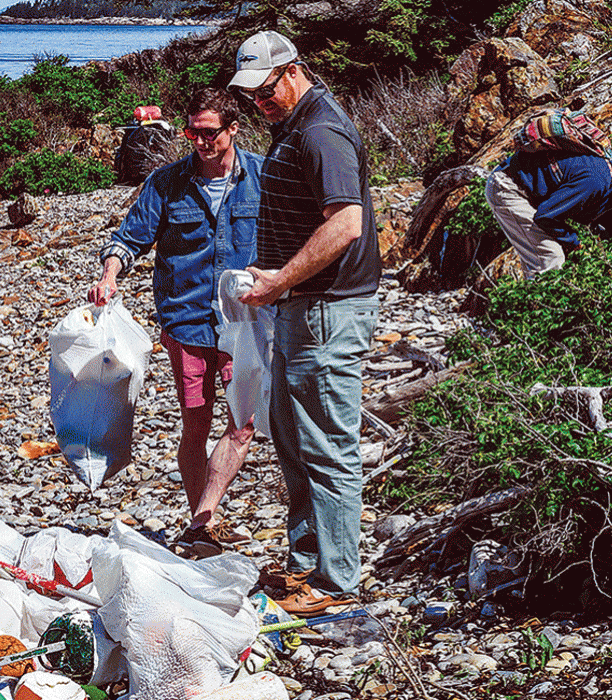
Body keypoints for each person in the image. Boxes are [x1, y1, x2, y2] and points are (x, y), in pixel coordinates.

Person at [230, 31, 381, 616]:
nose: (259, 104)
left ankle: (337, 579)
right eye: (251, 97)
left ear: (292, 71)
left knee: (325, 441)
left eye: (266, 92)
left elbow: (345, 223)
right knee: (291, 434)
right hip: (300, 303)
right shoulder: (293, 124)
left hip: (327, 307)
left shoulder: (320, 130)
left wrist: (280, 279)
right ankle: (307, 560)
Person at [88, 87, 263, 557]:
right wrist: (109, 275)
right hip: (185, 321)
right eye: (193, 133)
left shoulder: (263, 177)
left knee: (243, 423)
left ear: (233, 129)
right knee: (196, 424)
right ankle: (200, 523)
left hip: (245, 322)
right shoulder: (166, 183)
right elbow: (129, 239)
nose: (201, 142)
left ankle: (205, 513)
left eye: (209, 133)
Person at [486, 153, 612, 278]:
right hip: (508, 187)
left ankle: (530, 311)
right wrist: (574, 242)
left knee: (543, 258)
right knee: (551, 257)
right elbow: (546, 216)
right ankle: (539, 324)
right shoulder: (595, 182)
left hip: (525, 189)